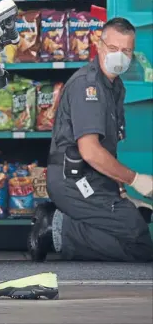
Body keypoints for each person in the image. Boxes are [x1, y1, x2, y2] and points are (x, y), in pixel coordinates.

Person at [28, 18, 153, 263]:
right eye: (114, 49)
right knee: (139, 245)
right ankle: (55, 228)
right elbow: (91, 151)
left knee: (138, 220)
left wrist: (122, 193)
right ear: (99, 45)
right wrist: (136, 180)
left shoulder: (115, 87)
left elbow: (108, 149)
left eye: (126, 51)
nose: (120, 56)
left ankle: (68, 225)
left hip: (96, 180)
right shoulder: (89, 87)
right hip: (74, 181)